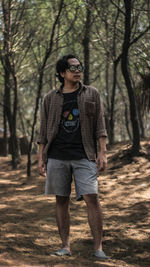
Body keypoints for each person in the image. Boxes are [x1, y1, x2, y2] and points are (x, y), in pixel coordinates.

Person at [37, 54, 109, 259]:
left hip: (84, 155)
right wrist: (41, 158)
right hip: (57, 156)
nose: (77, 71)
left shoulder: (92, 93)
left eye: (80, 67)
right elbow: (43, 131)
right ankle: (65, 247)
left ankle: (98, 248)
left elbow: (100, 126)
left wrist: (102, 152)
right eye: (72, 68)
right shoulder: (50, 98)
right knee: (61, 200)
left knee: (92, 198)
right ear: (62, 73)